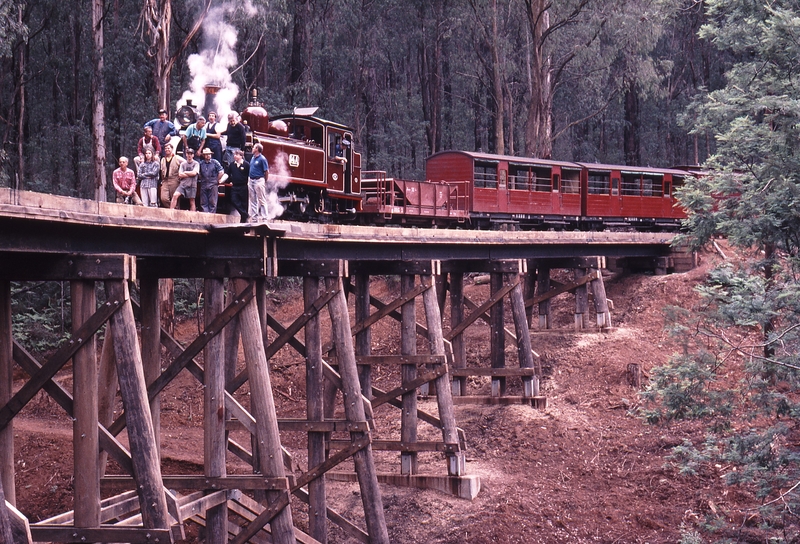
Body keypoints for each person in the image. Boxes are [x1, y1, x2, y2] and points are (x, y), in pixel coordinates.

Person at [198, 147, 224, 213]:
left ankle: (212, 217)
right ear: (203, 155)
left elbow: (221, 172)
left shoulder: (215, 162)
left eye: (209, 154)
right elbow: (199, 173)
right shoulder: (201, 163)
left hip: (213, 184)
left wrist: (216, 180)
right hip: (204, 184)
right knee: (203, 203)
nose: (208, 155)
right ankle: (205, 217)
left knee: (213, 202)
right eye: (206, 154)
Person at [226, 148, 250, 221]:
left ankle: (244, 222)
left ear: (241, 156)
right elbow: (227, 174)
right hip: (235, 187)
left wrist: (249, 185)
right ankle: (245, 214)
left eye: (236, 155)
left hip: (244, 187)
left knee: (244, 204)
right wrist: (220, 180)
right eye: (234, 155)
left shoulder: (246, 164)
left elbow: (249, 175)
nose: (234, 156)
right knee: (233, 200)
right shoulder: (232, 165)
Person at [248, 143, 270, 222]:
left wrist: (264, 180)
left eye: (254, 147)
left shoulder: (262, 159)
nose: (252, 149)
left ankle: (265, 217)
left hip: (259, 180)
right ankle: (254, 217)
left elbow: (266, 171)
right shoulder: (252, 158)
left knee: (261, 199)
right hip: (251, 180)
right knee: (253, 199)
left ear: (257, 149)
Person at [160, 142, 185, 207]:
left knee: (175, 198)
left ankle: (176, 212)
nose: (167, 150)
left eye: (168, 148)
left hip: (174, 180)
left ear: (172, 149)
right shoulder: (163, 159)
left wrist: (181, 172)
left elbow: (185, 163)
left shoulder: (177, 157)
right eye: (165, 148)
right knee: (164, 198)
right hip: (165, 181)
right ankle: (171, 210)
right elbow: (161, 171)